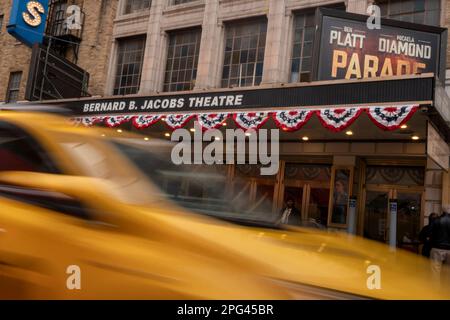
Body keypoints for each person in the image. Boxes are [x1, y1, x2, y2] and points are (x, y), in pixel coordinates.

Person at [430, 207, 450, 286]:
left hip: (436, 248)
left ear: (442, 211)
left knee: (435, 272)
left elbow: (429, 232)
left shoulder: (436, 220)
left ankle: (435, 292)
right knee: (448, 272)